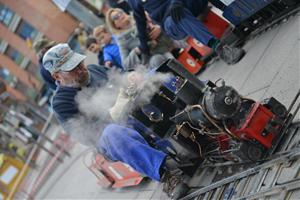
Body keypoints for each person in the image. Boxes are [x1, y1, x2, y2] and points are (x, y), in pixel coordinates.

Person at [43, 43, 188, 199]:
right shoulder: (60, 102)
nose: (80, 69)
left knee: (156, 74)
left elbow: (121, 75)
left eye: (79, 63)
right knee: (112, 134)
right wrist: (112, 115)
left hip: (135, 111)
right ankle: (166, 176)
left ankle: (200, 109)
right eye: (73, 69)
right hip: (112, 136)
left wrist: (132, 76)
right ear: (57, 76)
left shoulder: (92, 69)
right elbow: (87, 135)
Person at [127, 0, 245, 65]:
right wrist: (145, 53)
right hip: (170, 22)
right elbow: (140, 23)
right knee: (179, 15)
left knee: (179, 10)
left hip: (184, 3)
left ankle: (240, 14)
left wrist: (175, 2)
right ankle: (221, 49)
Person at [106, 8, 174, 71]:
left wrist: (160, 28)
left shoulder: (139, 17)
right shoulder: (122, 41)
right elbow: (126, 65)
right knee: (158, 59)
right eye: (116, 17)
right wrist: (137, 50)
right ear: (115, 25)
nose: (120, 15)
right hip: (152, 60)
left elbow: (163, 21)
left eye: (120, 12)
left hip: (167, 44)